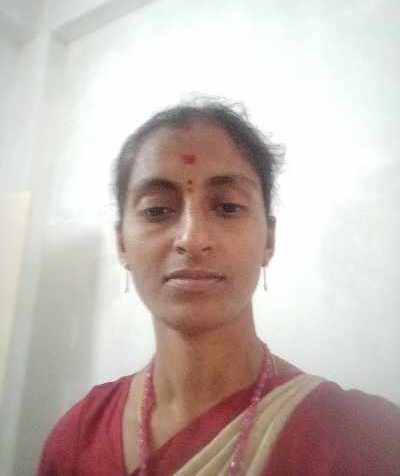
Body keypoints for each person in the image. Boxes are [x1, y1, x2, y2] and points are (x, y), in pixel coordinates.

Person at [38, 100, 400, 476]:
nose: (192, 239)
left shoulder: (365, 439)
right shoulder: (77, 438)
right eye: (157, 210)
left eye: (227, 207)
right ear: (121, 244)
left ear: (268, 240)